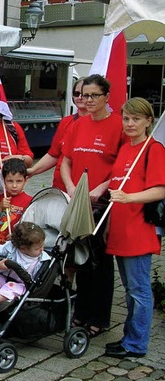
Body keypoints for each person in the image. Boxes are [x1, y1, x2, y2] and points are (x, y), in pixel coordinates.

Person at [60, 74, 126, 338]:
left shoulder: (119, 126)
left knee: (99, 262)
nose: (87, 100)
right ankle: (80, 313)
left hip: (102, 205)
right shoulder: (77, 125)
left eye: (93, 96)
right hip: (77, 201)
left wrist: (103, 188)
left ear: (106, 97)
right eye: (84, 95)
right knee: (78, 256)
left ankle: (99, 318)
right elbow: (65, 160)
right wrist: (71, 187)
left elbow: (124, 167)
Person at [103, 97, 165, 358]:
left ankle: (136, 344)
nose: (130, 124)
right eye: (126, 118)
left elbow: (160, 189)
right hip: (119, 228)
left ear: (148, 121)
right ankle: (130, 337)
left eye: (136, 119)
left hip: (137, 230)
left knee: (139, 291)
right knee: (129, 289)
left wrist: (129, 198)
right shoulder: (127, 148)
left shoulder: (154, 149)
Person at [27, 77, 89, 191]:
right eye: (76, 93)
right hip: (61, 188)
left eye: (84, 94)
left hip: (85, 189)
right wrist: (33, 170)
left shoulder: (100, 124)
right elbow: (54, 154)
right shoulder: (66, 122)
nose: (80, 97)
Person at [0, 158, 32, 245]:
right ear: (3, 181)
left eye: (19, 181)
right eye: (9, 181)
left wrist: (17, 235)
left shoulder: (29, 201)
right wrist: (0, 207)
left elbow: (30, 228)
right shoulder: (0, 199)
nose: (14, 185)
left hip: (18, 246)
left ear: (26, 180)